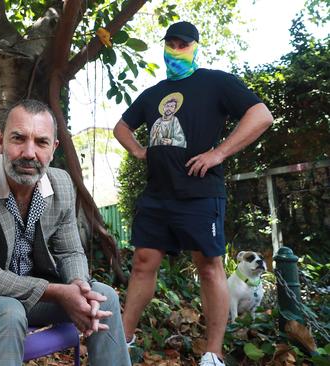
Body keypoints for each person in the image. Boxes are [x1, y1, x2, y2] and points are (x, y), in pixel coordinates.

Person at [0, 99, 131, 366]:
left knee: (104, 298)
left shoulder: (62, 184)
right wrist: (58, 291)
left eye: (41, 142)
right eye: (18, 139)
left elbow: (69, 250)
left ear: (53, 148)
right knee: (7, 312)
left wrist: (78, 284)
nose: (29, 153)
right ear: (0, 141)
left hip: (33, 292)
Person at [113, 21, 273, 366]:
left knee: (209, 265)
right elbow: (121, 127)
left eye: (183, 44)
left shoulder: (216, 82)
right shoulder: (154, 93)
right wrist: (141, 150)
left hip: (200, 193)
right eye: (170, 43)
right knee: (143, 263)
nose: (176, 49)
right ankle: (121, 341)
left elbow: (261, 115)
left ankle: (212, 353)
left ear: (195, 47)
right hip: (157, 194)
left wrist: (219, 153)